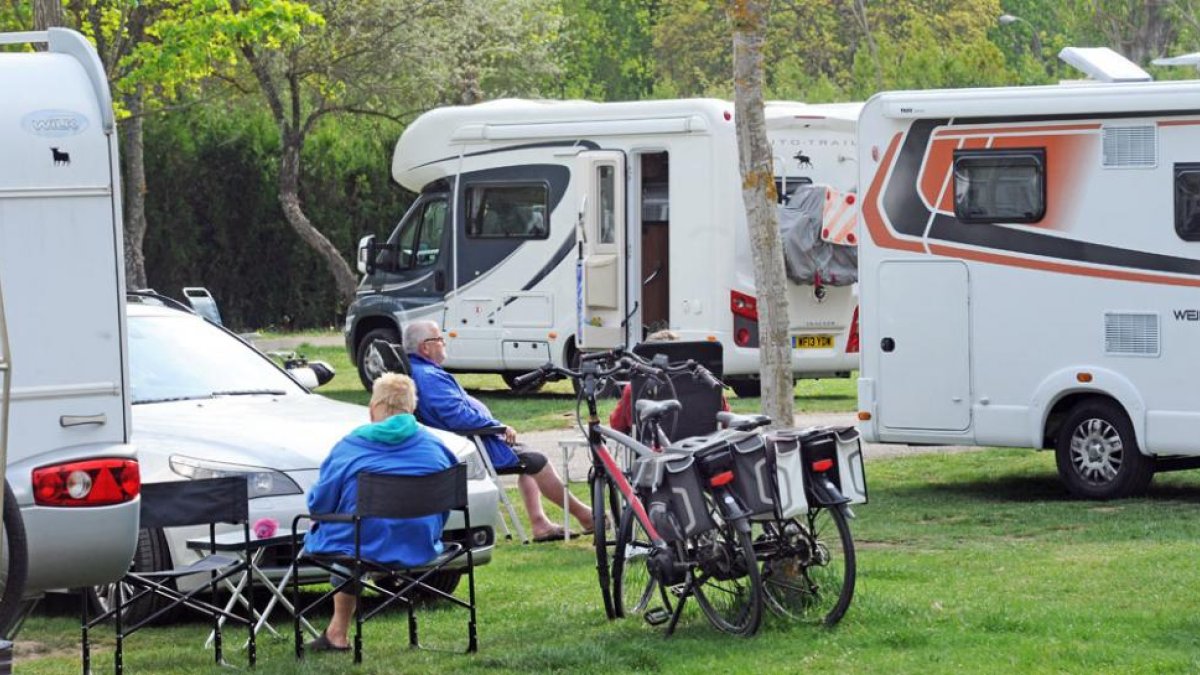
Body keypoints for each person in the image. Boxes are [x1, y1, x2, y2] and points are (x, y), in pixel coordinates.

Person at [303, 372, 457, 652]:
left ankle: (337, 633)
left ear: (373, 409)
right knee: (359, 538)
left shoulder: (351, 446)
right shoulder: (436, 446)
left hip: (364, 544)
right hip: (420, 540)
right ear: (411, 409)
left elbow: (319, 504)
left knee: (348, 546)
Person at [403, 320, 593, 542]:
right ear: (425, 347)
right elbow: (457, 416)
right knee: (536, 461)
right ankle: (586, 516)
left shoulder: (423, 371)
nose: (443, 343)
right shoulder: (428, 376)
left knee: (528, 455)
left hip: (475, 440)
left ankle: (540, 523)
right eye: (439, 339)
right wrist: (497, 427)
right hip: (474, 445)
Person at [608, 329, 731, 436]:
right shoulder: (708, 386)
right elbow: (726, 422)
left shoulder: (633, 390)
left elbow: (617, 425)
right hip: (703, 455)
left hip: (651, 455)